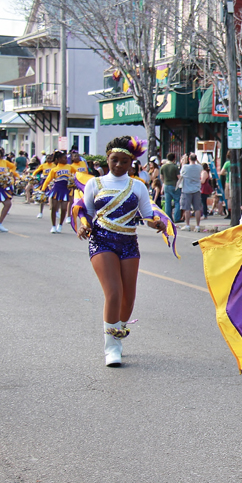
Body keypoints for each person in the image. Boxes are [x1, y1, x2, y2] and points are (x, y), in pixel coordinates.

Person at [76, 136, 167, 367]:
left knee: (128, 299)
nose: (118, 165)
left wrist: (156, 223)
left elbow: (147, 215)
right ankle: (112, 348)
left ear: (131, 163)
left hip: (128, 243)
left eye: (124, 161)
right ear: (107, 159)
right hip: (101, 241)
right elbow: (85, 211)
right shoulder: (94, 184)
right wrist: (83, 224)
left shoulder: (137, 185)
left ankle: (118, 329)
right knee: (114, 293)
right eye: (114, 160)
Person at [40, 151, 76, 234]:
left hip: (65, 189)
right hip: (56, 189)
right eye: (64, 158)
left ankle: (60, 225)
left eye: (66, 158)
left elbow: (77, 175)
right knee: (54, 208)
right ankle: (53, 226)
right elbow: (48, 180)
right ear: (59, 159)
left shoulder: (70, 167)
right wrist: (42, 190)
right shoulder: (54, 169)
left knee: (64, 209)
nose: (66, 160)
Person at [180, 153, 203, 232]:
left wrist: (183, 160)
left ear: (189, 159)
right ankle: (197, 226)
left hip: (186, 190)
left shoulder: (185, 167)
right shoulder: (199, 167)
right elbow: (201, 166)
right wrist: (197, 161)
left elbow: (181, 172)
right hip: (196, 189)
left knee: (187, 208)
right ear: (196, 159)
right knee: (197, 209)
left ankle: (187, 225)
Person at [159, 153, 180, 221]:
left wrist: (164, 182)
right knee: (177, 201)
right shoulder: (175, 167)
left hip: (166, 185)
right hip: (174, 185)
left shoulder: (163, 166)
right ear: (174, 158)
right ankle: (176, 218)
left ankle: (168, 218)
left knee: (168, 202)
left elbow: (161, 177)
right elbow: (178, 177)